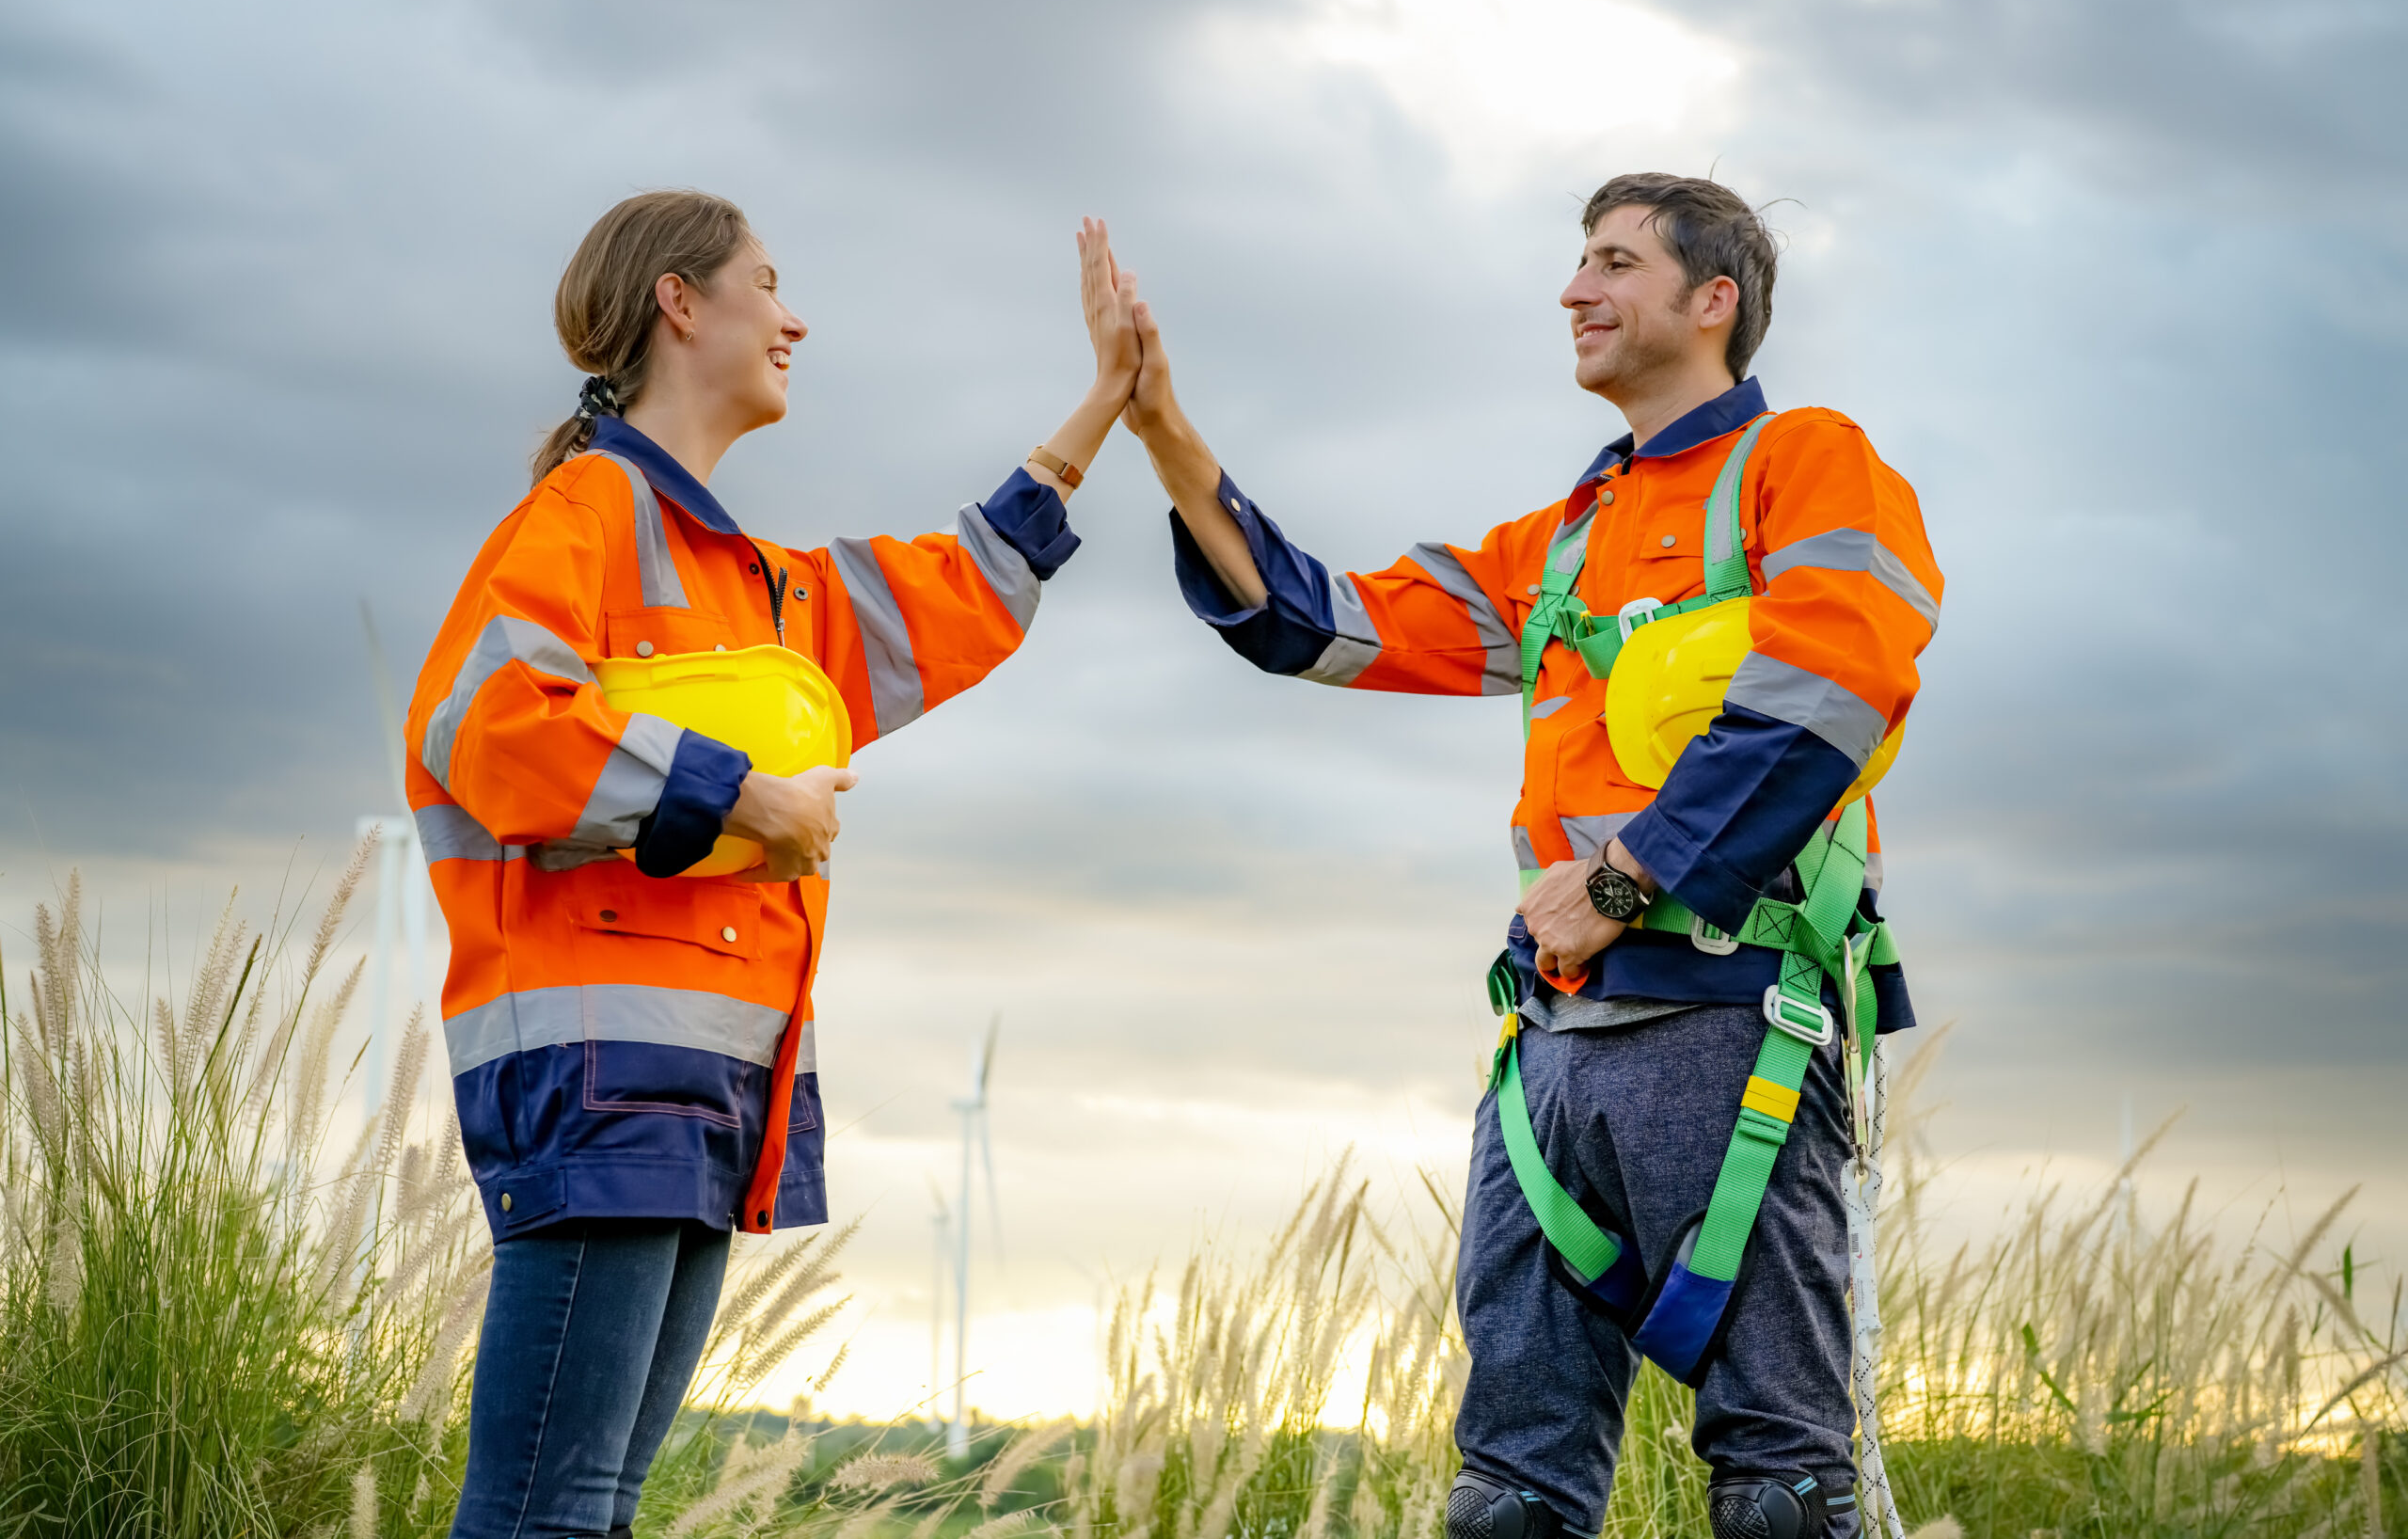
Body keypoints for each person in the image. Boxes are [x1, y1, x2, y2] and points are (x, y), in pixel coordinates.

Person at [1120, 173, 1941, 1539]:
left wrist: (1625, 881)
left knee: (1782, 1491)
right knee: (1507, 1497)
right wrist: (1163, 430)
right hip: (1548, 1053)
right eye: (1579, 263)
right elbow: (1320, 620)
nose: (1574, 290)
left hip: (1734, 1026)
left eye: (1615, 263)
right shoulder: (1562, 541)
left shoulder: (1806, 463)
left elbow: (1835, 685)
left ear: (1713, 300)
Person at [403, 190, 1140, 1539]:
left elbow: (950, 592)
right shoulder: (587, 510)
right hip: (605, 1078)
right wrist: (744, 798)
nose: (795, 319)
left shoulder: (760, 585)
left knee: (593, 1514)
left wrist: (1099, 408)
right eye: (768, 283)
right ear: (680, 303)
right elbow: (487, 725)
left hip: (700, 1088)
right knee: (546, 1516)